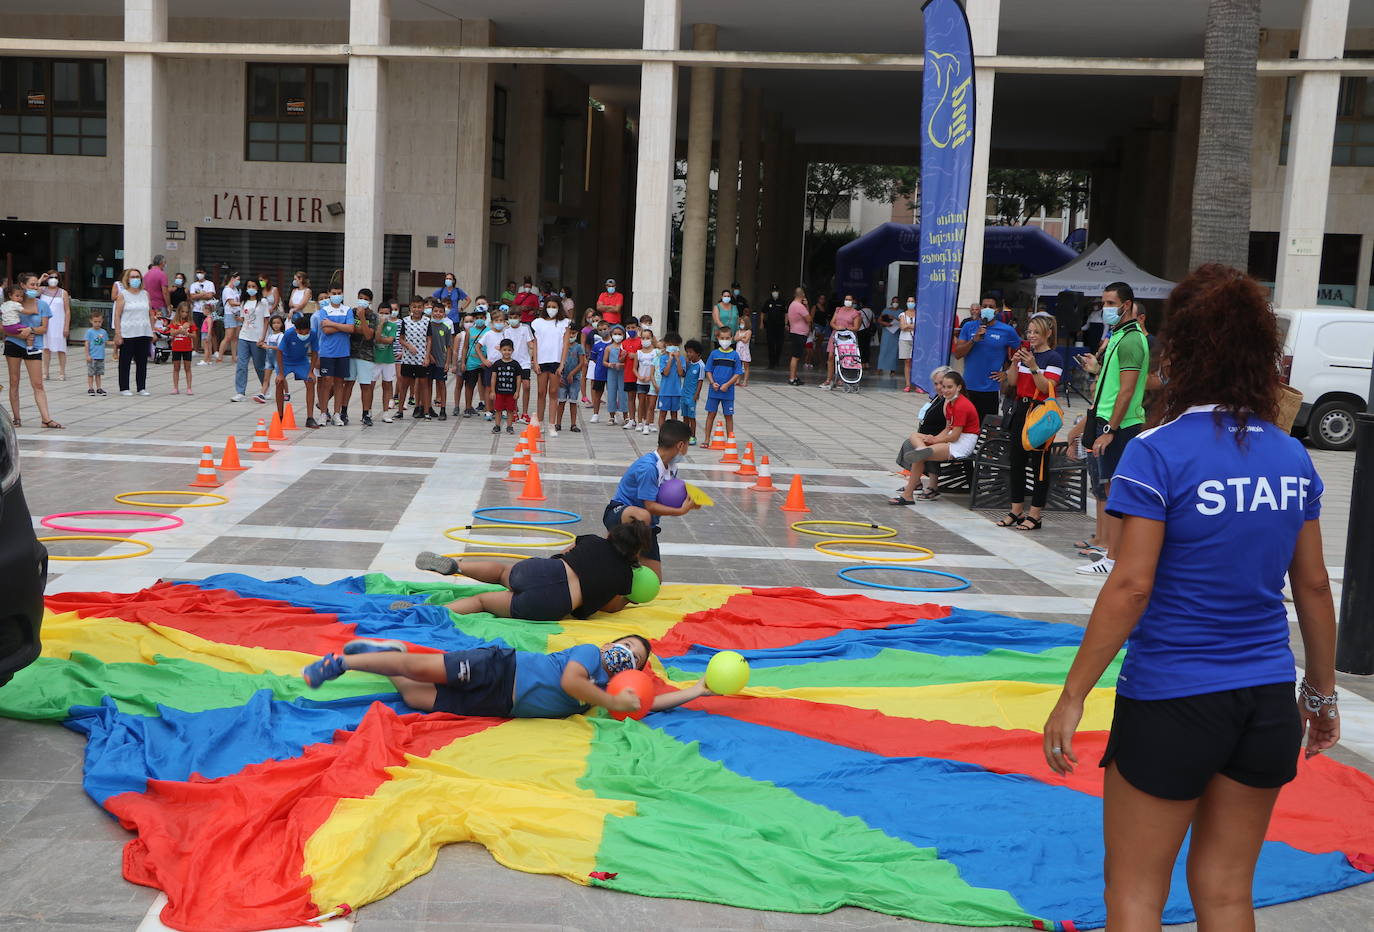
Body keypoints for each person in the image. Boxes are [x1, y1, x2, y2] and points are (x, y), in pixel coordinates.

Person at [1042, 263, 1339, 930]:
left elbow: (1131, 582)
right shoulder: (1292, 457)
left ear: (1180, 352)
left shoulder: (1156, 452)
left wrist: (1072, 694)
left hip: (1173, 698)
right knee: (1229, 892)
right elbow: (1314, 587)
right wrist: (1320, 698)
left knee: (1135, 895)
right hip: (1265, 703)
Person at [303, 632, 709, 721]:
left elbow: (648, 703)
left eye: (633, 659)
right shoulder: (588, 657)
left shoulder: (610, 689)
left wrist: (698, 689)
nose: (625, 657)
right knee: (422, 669)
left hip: (498, 705)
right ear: (609, 646)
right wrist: (612, 702)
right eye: (625, 648)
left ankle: (387, 653)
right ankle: (340, 664)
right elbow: (570, 682)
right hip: (500, 668)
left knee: (414, 697)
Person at [412, 520, 653, 620]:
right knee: (481, 601)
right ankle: (429, 611)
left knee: (501, 572)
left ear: (611, 535)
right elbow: (608, 606)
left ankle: (458, 567)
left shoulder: (591, 540)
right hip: (555, 602)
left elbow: (566, 553)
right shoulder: (626, 577)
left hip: (543, 570)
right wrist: (629, 600)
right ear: (636, 552)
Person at [1075, 281, 1150, 577]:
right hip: (1106, 419)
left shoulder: (1131, 339)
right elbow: (1114, 382)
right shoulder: (1118, 335)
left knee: (1115, 490)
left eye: (1110, 303)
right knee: (1109, 487)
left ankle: (1114, 558)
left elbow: (1128, 391)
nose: (1106, 308)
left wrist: (1111, 430)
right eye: (1103, 303)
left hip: (1120, 425)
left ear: (1128, 304)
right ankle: (1112, 555)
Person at [992, 315, 1063, 531]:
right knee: (1016, 462)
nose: (1031, 336)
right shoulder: (1025, 355)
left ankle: (1035, 514)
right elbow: (1013, 382)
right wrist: (1014, 364)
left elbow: (1045, 387)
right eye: (1029, 332)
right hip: (1020, 409)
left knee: (1039, 464)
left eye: (1036, 332)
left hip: (1040, 412)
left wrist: (1033, 366)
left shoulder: (1054, 358)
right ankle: (1016, 510)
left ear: (1048, 334)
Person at [603, 420, 698, 579]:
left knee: (655, 580)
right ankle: (615, 550)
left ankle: (622, 557)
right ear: (681, 445)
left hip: (647, 528)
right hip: (619, 513)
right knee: (643, 515)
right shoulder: (649, 468)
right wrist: (680, 511)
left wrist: (691, 502)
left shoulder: (670, 467)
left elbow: (668, 496)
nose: (687, 450)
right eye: (688, 445)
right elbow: (650, 506)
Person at [889, 370, 979, 505]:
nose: (946, 390)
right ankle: (921, 449)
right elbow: (948, 428)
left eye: (950, 387)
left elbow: (954, 436)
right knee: (914, 436)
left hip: (963, 443)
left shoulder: (962, 405)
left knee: (919, 456)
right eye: (944, 387)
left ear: (959, 387)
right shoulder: (949, 402)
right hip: (952, 438)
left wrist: (936, 440)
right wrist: (934, 439)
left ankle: (908, 494)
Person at [5, 273, 60, 427]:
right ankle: (16, 418)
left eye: (37, 284)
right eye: (32, 284)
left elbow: (43, 328)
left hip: (34, 346)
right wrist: (19, 334)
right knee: (14, 381)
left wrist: (29, 330)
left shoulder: (42, 305)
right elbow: (3, 327)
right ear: (23, 285)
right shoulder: (13, 304)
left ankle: (46, 418)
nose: (35, 287)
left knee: (38, 384)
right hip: (14, 344)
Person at [951, 294, 1018, 422]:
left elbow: (1021, 353)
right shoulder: (969, 326)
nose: (987, 309)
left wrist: (1007, 373)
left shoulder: (1007, 331)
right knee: (964, 425)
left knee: (986, 428)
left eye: (991, 307)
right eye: (984, 306)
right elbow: (958, 354)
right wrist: (973, 340)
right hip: (968, 387)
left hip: (991, 389)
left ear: (997, 310)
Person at [314, 285, 355, 423]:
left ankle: (337, 413)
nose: (336, 295)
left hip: (343, 352)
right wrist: (342, 326)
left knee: (339, 383)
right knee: (326, 382)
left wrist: (332, 324)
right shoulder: (324, 310)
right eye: (334, 293)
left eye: (339, 293)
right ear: (329, 294)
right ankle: (323, 413)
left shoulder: (347, 310)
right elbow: (326, 330)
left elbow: (351, 328)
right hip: (327, 352)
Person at [113, 268, 157, 398]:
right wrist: (117, 333)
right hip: (128, 332)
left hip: (143, 331)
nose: (135, 279)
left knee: (142, 361)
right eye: (132, 277)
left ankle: (141, 387)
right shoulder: (123, 295)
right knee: (125, 361)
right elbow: (117, 315)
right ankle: (124, 387)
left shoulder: (145, 294)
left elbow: (150, 313)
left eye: (137, 277)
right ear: (127, 279)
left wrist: (152, 330)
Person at [531, 296, 570, 433]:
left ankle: (551, 424)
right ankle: (540, 423)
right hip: (541, 361)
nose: (551, 309)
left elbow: (565, 345)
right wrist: (535, 362)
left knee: (553, 392)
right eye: (549, 306)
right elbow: (535, 344)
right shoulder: (538, 323)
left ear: (559, 308)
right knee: (541, 392)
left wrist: (562, 364)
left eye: (554, 307)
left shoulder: (564, 323)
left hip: (556, 361)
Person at [277, 312, 320, 428]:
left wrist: (311, 371)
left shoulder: (313, 335)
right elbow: (279, 352)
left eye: (305, 331)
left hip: (301, 361)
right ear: (296, 329)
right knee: (279, 382)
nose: (303, 334)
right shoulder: (289, 334)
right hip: (286, 361)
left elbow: (315, 352)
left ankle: (310, 418)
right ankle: (280, 416)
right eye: (300, 332)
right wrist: (281, 373)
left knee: (310, 382)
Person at [702, 326, 743, 444]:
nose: (725, 340)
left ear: (732, 338)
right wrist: (712, 382)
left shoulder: (735, 355)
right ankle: (706, 439)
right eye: (722, 338)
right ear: (718, 338)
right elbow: (708, 370)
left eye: (727, 338)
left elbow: (737, 373)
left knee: (728, 415)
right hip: (713, 391)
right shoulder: (714, 354)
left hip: (728, 391)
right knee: (711, 414)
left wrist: (728, 384)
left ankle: (730, 440)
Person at [394, 297, 432, 421]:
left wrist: (427, 356)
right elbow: (400, 339)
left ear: (423, 308)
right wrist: (408, 346)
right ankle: (400, 411)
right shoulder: (405, 321)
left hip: (421, 358)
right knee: (404, 385)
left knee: (424, 385)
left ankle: (426, 412)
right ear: (410, 307)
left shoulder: (427, 321)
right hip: (408, 359)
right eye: (414, 307)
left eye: (419, 307)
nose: (417, 309)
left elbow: (429, 340)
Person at [232, 278, 268, 403]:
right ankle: (240, 392)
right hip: (244, 336)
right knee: (241, 365)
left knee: (259, 366)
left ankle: (265, 387)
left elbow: (266, 320)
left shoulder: (263, 302)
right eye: (249, 286)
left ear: (257, 288)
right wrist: (237, 318)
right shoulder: (243, 302)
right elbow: (244, 318)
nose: (251, 289)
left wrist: (263, 337)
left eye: (253, 286)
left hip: (257, 338)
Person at [822, 295, 863, 389]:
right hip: (835, 335)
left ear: (853, 301)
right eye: (846, 299)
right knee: (831, 356)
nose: (847, 301)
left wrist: (846, 328)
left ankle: (842, 378)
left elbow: (856, 327)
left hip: (847, 338)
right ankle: (829, 379)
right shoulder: (838, 309)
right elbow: (832, 322)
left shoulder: (856, 313)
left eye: (849, 300)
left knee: (844, 358)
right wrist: (837, 327)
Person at [367, 302, 398, 425]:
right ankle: (367, 411)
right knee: (370, 386)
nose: (384, 315)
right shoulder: (373, 325)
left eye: (386, 313)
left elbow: (388, 340)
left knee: (387, 385)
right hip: (375, 360)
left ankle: (386, 412)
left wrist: (381, 336)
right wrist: (379, 326)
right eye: (381, 313)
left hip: (388, 360)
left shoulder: (393, 326)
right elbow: (377, 338)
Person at [459, 300, 489, 419]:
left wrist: (487, 360)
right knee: (469, 385)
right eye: (478, 317)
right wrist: (463, 362)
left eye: (482, 317)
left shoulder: (489, 330)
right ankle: (468, 407)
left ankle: (488, 408)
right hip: (471, 362)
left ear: (485, 317)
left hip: (485, 363)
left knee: (486, 385)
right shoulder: (469, 331)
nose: (480, 319)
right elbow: (465, 347)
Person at [38, 270, 71, 381]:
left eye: (56, 277)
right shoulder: (42, 290)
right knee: (46, 348)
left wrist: (66, 326)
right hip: (46, 323)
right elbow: (30, 292)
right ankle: (45, 372)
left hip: (59, 323)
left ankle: (62, 372)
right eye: (51, 277)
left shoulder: (63, 293)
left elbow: (67, 311)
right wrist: (41, 279)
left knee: (61, 349)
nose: (53, 279)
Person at [425, 300, 454, 420]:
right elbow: (425, 342)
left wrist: (447, 362)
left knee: (441, 383)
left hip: (441, 361)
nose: (438, 313)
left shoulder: (446, 327)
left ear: (444, 313)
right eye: (435, 311)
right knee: (428, 384)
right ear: (432, 312)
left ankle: (443, 408)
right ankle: (428, 408)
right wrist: (429, 356)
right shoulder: (427, 325)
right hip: (429, 360)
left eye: (440, 311)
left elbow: (449, 346)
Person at [554, 324, 585, 433]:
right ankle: (558, 423)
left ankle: (573, 424)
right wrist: (559, 376)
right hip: (562, 378)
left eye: (573, 333)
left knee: (573, 401)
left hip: (574, 379)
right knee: (561, 401)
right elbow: (556, 362)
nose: (571, 335)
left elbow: (582, 363)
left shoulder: (579, 347)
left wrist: (572, 373)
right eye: (569, 333)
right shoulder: (560, 346)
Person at [489, 337, 522, 434]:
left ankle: (509, 426)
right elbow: (493, 377)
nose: (506, 352)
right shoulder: (497, 364)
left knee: (510, 410)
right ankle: (497, 426)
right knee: (498, 409)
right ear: (500, 350)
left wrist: (517, 391)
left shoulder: (515, 364)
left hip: (511, 392)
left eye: (509, 350)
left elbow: (518, 378)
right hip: (499, 392)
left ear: (512, 350)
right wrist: (492, 391)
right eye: (504, 350)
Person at [655, 331, 685, 427]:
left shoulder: (681, 359)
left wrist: (677, 360)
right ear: (666, 344)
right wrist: (670, 359)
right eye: (670, 344)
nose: (672, 346)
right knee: (662, 413)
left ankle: (673, 434)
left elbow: (681, 373)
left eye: (675, 345)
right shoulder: (663, 358)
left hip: (676, 391)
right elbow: (666, 373)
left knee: (674, 414)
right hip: (665, 391)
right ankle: (662, 434)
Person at [602, 324, 629, 426]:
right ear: (611, 334)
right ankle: (611, 416)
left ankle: (626, 415)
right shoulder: (609, 348)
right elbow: (604, 361)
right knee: (611, 393)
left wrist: (623, 364)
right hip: (612, 372)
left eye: (620, 334)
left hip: (623, 372)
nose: (617, 336)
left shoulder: (625, 346)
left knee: (623, 393)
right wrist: (610, 364)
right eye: (615, 334)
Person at [680, 339, 706, 444]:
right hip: (684, 393)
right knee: (684, 416)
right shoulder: (688, 363)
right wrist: (685, 364)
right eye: (687, 352)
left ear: (697, 353)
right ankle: (685, 435)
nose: (688, 354)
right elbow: (683, 374)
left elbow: (700, 381)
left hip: (692, 395)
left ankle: (693, 436)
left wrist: (696, 394)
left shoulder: (701, 366)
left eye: (691, 352)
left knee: (691, 417)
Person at [619, 319, 643, 430]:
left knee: (642, 398)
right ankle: (631, 419)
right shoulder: (623, 343)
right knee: (630, 397)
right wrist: (623, 356)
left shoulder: (641, 341)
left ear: (638, 328)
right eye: (628, 328)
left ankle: (641, 421)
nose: (630, 330)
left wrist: (636, 355)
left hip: (641, 374)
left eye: (633, 327)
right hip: (628, 374)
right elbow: (620, 360)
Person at [168, 304, 197, 395]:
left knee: (187, 367)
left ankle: (189, 388)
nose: (184, 314)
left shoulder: (191, 323)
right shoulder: (174, 322)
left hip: (187, 348)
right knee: (176, 367)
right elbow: (172, 333)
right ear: (179, 312)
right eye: (182, 311)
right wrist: (180, 330)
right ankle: (175, 387)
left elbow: (195, 335)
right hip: (176, 347)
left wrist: (188, 334)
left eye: (186, 312)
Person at [189, 268, 216, 360]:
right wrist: (203, 294)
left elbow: (210, 296)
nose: (199, 274)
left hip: (208, 310)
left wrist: (199, 296)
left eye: (201, 272)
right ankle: (195, 350)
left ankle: (214, 351)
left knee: (211, 330)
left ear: (205, 273)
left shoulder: (210, 284)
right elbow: (192, 297)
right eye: (197, 272)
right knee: (196, 330)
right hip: (197, 310)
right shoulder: (193, 285)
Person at [786, 288, 811, 386]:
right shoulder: (799, 306)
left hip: (795, 332)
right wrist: (806, 305)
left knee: (796, 356)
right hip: (799, 333)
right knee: (795, 356)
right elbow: (809, 318)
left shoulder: (792, 305)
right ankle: (792, 378)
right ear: (802, 295)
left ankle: (794, 376)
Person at [586, 318, 609, 423]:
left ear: (609, 329)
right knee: (597, 393)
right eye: (600, 330)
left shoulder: (614, 343)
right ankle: (595, 414)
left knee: (612, 393)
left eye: (605, 329)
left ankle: (612, 415)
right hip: (599, 373)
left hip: (612, 373)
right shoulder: (597, 345)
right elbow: (594, 358)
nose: (603, 331)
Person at [218, 271, 241, 363]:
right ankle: (220, 356)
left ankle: (234, 356)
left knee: (235, 337)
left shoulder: (236, 289)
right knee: (228, 336)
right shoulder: (227, 290)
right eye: (237, 279)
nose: (238, 281)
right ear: (232, 279)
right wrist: (241, 304)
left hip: (237, 314)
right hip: (229, 314)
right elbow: (231, 303)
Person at [762, 284, 787, 369]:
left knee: (779, 344)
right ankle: (771, 363)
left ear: (778, 292)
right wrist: (761, 323)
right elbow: (763, 312)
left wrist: (786, 324)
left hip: (780, 326)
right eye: (773, 291)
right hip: (770, 326)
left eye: (776, 291)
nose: (775, 292)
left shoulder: (782, 302)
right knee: (770, 344)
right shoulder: (768, 302)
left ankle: (777, 360)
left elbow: (786, 313)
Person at [84, 310, 108, 397]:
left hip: (100, 356)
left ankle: (99, 388)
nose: (97, 324)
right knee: (91, 373)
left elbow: (106, 342)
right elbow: (87, 343)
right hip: (92, 356)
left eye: (99, 322)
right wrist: (87, 355)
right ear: (91, 321)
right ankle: (90, 388)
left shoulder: (103, 332)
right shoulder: (90, 332)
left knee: (99, 373)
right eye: (95, 322)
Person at [144, 255, 170, 320]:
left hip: (148, 305)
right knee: (162, 326)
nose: (165, 264)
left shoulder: (146, 274)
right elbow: (165, 292)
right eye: (165, 262)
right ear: (162, 263)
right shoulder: (162, 274)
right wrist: (169, 306)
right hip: (160, 305)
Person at [898, 297, 916, 389]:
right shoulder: (902, 314)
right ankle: (908, 384)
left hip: (916, 340)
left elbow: (920, 326)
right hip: (905, 339)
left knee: (916, 361)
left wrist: (907, 325)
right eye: (909, 301)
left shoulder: (919, 314)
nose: (910, 303)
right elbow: (902, 327)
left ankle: (917, 384)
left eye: (912, 301)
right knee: (907, 361)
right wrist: (912, 326)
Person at [734, 310, 753, 387]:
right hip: (738, 351)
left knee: (746, 367)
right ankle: (738, 380)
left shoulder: (748, 331)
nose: (741, 325)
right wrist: (742, 337)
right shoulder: (738, 331)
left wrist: (740, 338)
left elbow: (746, 341)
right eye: (740, 323)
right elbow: (735, 339)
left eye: (743, 323)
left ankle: (745, 381)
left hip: (745, 351)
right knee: (738, 366)